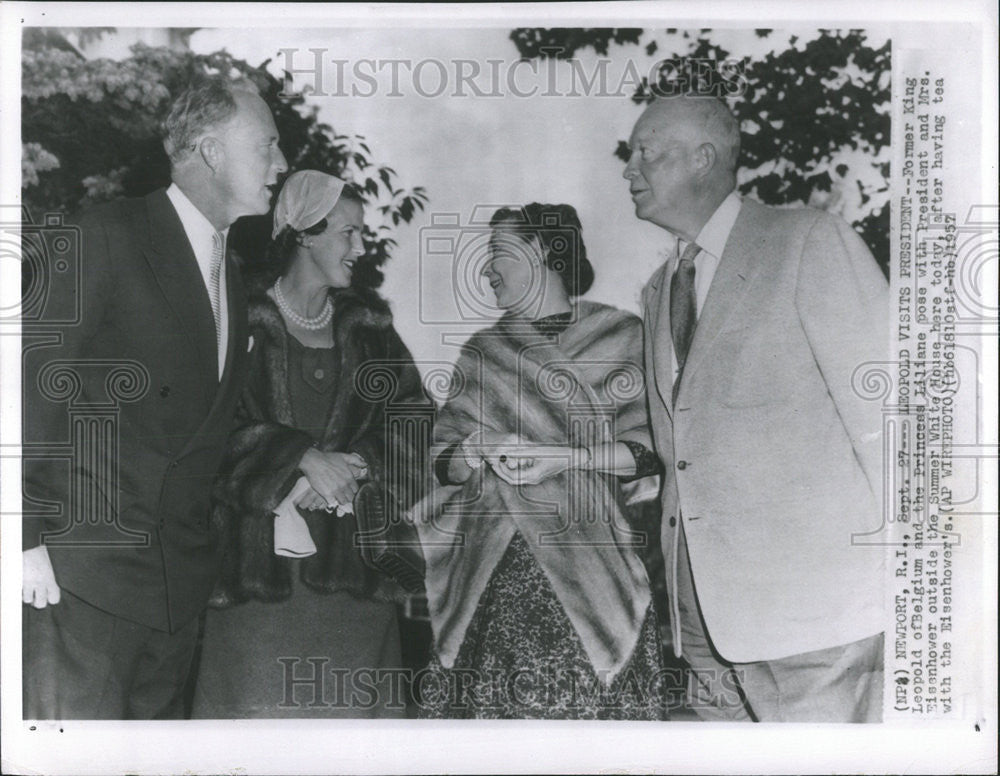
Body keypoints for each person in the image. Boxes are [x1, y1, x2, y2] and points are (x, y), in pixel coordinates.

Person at [21, 76, 288, 719]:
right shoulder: (107, 233)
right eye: (268, 146)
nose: (281, 165)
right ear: (210, 150)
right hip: (81, 583)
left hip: (176, 596)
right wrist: (22, 539)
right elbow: (28, 388)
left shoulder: (231, 268)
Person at [625, 94, 887, 722]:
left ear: (703, 159)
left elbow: (893, 417)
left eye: (646, 153)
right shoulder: (658, 291)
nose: (629, 170)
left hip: (818, 616)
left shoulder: (806, 240)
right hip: (704, 623)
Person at [413, 203, 667, 720]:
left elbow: (647, 452)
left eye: (495, 252)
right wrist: (472, 449)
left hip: (591, 562)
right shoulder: (483, 351)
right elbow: (441, 463)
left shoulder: (621, 335)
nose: (486, 270)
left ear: (540, 249)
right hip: (491, 571)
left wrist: (565, 458)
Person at [190, 171, 427, 718]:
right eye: (348, 233)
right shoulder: (232, 318)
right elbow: (197, 429)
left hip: (358, 591)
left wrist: (359, 466)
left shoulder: (372, 330)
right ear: (304, 234)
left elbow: (416, 421)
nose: (360, 248)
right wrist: (297, 458)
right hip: (255, 590)